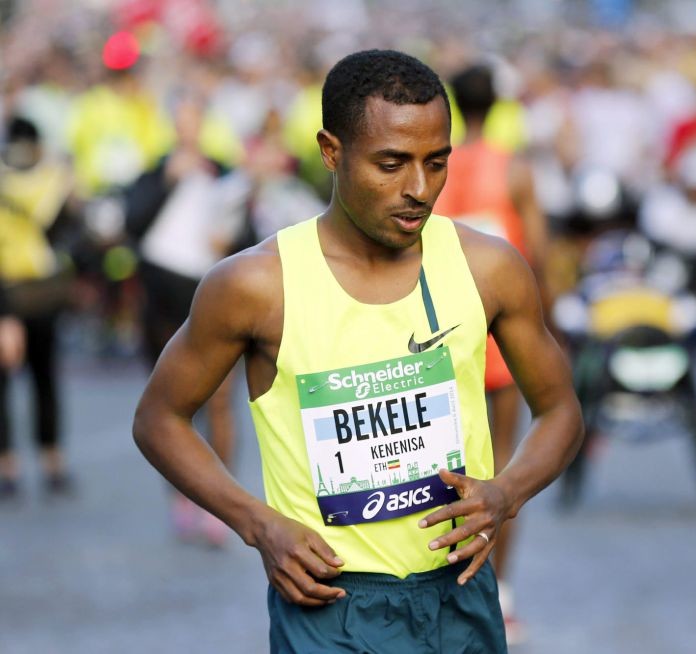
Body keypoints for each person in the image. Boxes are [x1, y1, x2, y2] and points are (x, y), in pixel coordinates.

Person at [132, 49, 583, 652]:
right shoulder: (257, 285)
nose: (418, 189)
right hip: (328, 606)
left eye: (436, 162)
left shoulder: (488, 268)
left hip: (460, 597)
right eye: (391, 164)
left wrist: (506, 493)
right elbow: (158, 419)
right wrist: (258, 524)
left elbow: (561, 410)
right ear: (331, 151)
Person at [433, 63, 549, 645]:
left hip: (438, 329)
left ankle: (438, 582)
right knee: (500, 466)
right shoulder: (516, 169)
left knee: (438, 459)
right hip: (499, 329)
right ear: (498, 105)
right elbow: (539, 255)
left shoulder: (435, 164)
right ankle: (499, 592)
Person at [125, 93, 240, 546]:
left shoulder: (222, 171)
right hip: (163, 300)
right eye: (182, 120)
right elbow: (133, 223)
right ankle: (181, 495)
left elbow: (246, 232)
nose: (188, 128)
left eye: (195, 119)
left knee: (221, 400)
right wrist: (168, 181)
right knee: (172, 402)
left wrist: (228, 236)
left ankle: (222, 503)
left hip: (214, 298)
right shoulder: (155, 170)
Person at [0, 116, 75, 499]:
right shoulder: (53, 181)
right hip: (24, 293)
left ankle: (35, 462)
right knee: (38, 380)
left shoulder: (51, 180)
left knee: (41, 379)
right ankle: (34, 463)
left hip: (31, 294)